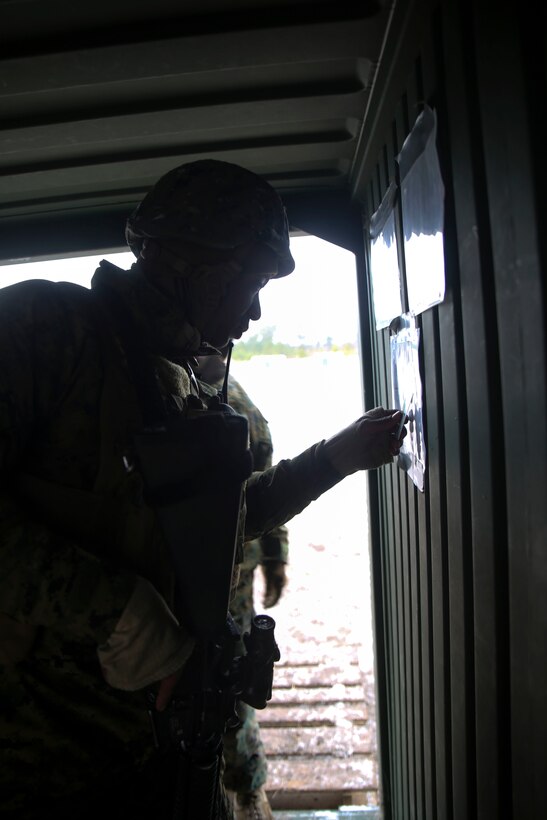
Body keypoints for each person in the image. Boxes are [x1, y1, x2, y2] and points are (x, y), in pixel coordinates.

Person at [0, 159, 407, 820]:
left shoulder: (184, 382)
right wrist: (121, 612)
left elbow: (220, 527)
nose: (252, 310)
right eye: (246, 283)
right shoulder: (46, 330)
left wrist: (337, 457)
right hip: (41, 761)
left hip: (157, 745)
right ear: (190, 264)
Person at [197, 350, 289, 820]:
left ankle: (247, 788)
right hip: (199, 567)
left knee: (232, 670)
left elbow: (266, 485)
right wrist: (274, 558)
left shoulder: (237, 404)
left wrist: (274, 556)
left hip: (231, 569)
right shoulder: (168, 391)